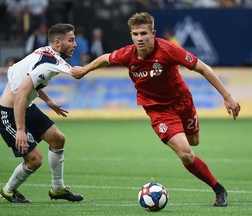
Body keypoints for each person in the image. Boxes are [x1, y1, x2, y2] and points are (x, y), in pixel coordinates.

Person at [71, 12, 241, 207]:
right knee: (186, 153)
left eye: (143, 33)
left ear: (153, 33)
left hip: (182, 101)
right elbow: (106, 58)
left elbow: (203, 68)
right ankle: (218, 189)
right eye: (135, 34)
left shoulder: (168, 50)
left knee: (194, 142)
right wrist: (84, 70)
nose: (139, 38)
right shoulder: (127, 54)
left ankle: (184, 134)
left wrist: (227, 97)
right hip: (158, 110)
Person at [0, 23, 83, 203]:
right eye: (71, 40)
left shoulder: (45, 52)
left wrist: (48, 101)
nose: (75, 44)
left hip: (26, 107)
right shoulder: (48, 63)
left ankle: (57, 189)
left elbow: (28, 81)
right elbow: (20, 94)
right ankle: (8, 191)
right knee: (35, 160)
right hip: (9, 114)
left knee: (58, 138)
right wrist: (20, 130)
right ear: (58, 43)